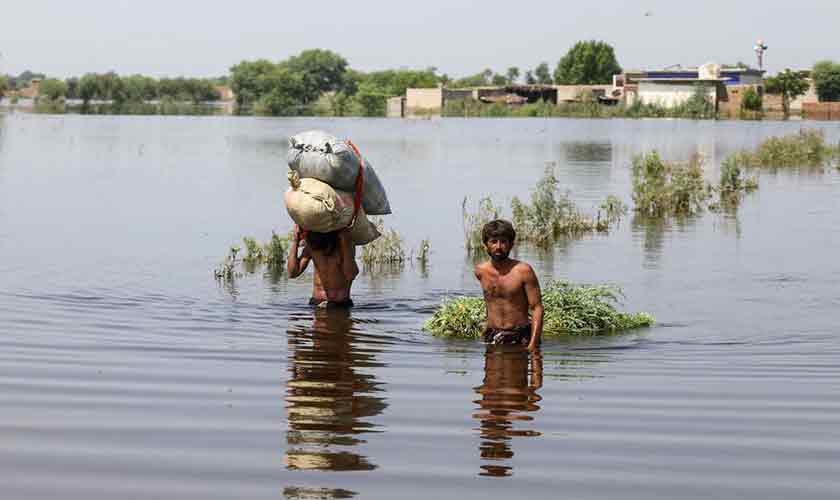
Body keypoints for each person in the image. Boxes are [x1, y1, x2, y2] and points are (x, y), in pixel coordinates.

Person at [474, 219, 544, 350]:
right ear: (485, 245)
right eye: (493, 242)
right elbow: (490, 301)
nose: (498, 246)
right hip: (492, 336)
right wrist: (485, 328)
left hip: (519, 336)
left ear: (511, 244)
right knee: (491, 371)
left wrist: (533, 344)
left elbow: (537, 308)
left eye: (503, 242)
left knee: (516, 370)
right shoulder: (480, 271)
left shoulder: (523, 271)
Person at [287, 224, 359, 308]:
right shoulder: (312, 246)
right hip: (317, 303)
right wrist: (295, 241)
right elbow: (292, 273)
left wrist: (344, 242)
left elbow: (351, 274)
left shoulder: (346, 245)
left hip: (341, 305)